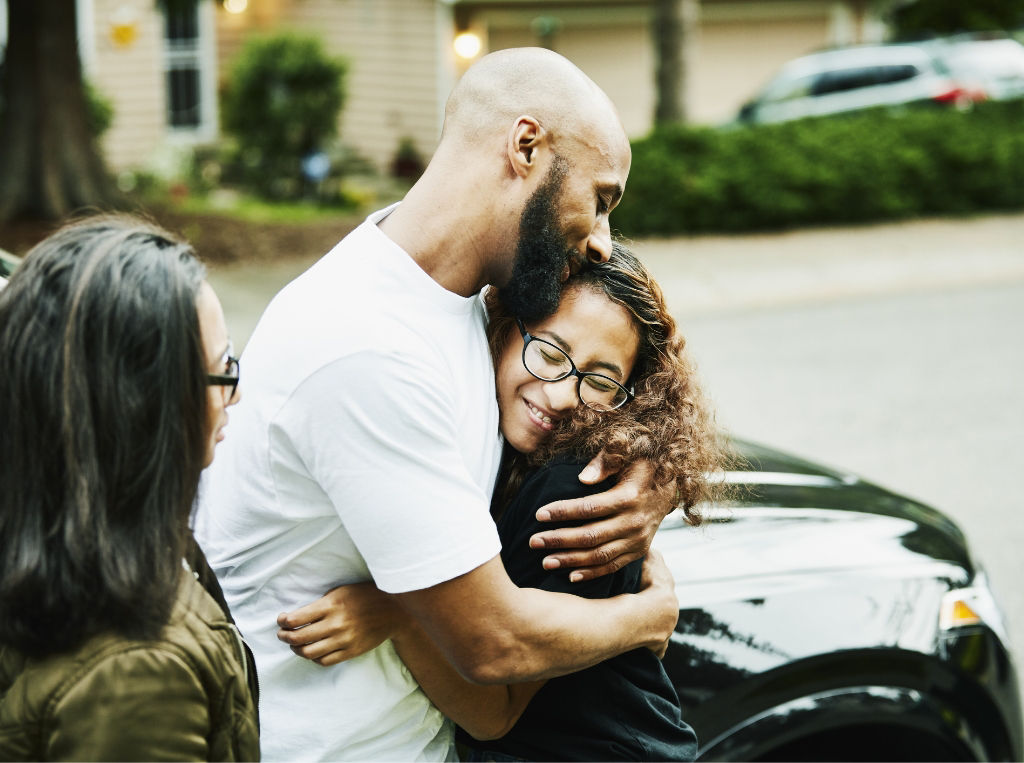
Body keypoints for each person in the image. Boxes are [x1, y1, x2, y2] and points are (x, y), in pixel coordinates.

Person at [194, 47, 679, 761]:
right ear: (524, 145)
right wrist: (647, 613)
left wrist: (651, 478)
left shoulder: (457, 300)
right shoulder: (368, 345)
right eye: (601, 198)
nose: (603, 241)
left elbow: (603, 381)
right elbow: (492, 642)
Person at [281, 243, 726, 760]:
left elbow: (494, 712)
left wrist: (402, 610)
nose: (561, 395)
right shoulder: (486, 442)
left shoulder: (579, 488)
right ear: (505, 325)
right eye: (550, 353)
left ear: (635, 394)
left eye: (601, 380)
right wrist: (644, 616)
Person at [0, 216, 258, 761]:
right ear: (147, 407)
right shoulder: (138, 672)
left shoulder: (56, 532)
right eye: (223, 369)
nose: (235, 397)